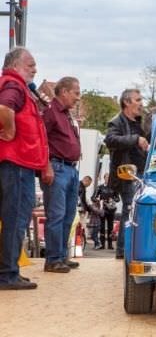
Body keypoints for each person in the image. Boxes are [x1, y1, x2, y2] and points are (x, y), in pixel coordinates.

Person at [0, 47, 48, 290]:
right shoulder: (14, 85)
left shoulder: (15, 86)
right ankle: (7, 274)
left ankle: (9, 271)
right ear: (15, 65)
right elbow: (4, 108)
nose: (35, 69)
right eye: (30, 64)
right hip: (17, 164)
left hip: (17, 164)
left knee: (14, 219)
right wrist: (9, 130)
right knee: (15, 219)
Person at [41, 77, 82, 273]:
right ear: (64, 91)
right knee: (56, 215)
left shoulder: (65, 114)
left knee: (68, 215)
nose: (78, 98)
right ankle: (53, 259)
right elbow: (41, 140)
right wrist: (46, 165)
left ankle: (61, 256)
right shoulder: (51, 112)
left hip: (70, 169)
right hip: (57, 168)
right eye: (75, 93)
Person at [105, 89, 148, 259]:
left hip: (143, 174)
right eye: (138, 100)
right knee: (129, 209)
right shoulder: (116, 123)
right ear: (127, 102)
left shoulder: (140, 122)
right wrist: (135, 139)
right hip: (127, 175)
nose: (141, 103)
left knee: (137, 211)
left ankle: (134, 250)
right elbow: (111, 140)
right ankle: (122, 251)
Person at [92, 173, 119, 249]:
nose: (108, 179)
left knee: (110, 227)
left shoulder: (114, 188)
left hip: (111, 209)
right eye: (107, 177)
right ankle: (102, 244)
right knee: (102, 227)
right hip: (103, 209)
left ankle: (110, 244)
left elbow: (118, 199)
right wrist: (98, 199)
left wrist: (113, 199)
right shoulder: (100, 187)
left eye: (109, 178)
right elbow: (93, 197)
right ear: (104, 178)